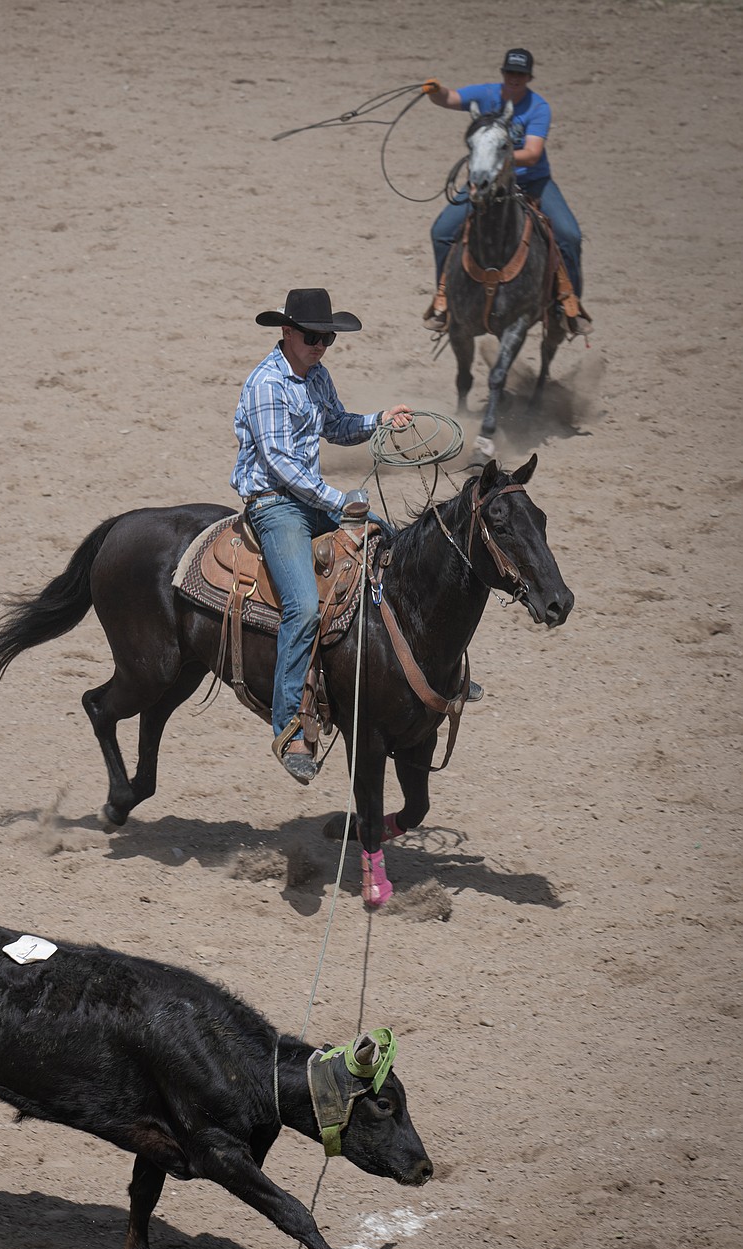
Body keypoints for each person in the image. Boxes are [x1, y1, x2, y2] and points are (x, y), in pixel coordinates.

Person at [230, 287, 414, 784]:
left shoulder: (317, 376)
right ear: (287, 332)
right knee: (303, 608)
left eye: (327, 339)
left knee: (391, 543)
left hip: (311, 503)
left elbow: (337, 425)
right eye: (313, 338)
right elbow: (280, 465)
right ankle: (290, 728)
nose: (321, 347)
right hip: (275, 507)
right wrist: (338, 501)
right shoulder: (267, 383)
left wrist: (380, 421)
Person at [422, 48, 591, 336]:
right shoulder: (486, 94)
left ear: (528, 77)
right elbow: (450, 98)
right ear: (503, 73)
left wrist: (497, 157)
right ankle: (445, 297)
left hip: (532, 182)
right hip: (487, 181)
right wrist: (433, 90)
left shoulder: (538, 108)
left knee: (569, 235)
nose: (515, 78)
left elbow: (534, 153)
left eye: (521, 74)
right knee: (442, 231)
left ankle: (568, 301)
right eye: (510, 73)